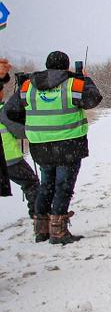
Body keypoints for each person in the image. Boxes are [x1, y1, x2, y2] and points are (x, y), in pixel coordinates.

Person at [4, 51, 103, 244]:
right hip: (68, 144)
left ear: (47, 65)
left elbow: (11, 111)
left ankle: (41, 230)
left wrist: (33, 123)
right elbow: (94, 99)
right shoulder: (74, 84)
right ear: (66, 67)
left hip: (40, 145)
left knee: (46, 185)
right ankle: (58, 232)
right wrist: (85, 78)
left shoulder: (28, 85)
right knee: (63, 187)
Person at [1, 61, 43, 239]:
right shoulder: (3, 112)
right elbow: (19, 131)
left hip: (8, 158)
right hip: (9, 158)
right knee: (32, 183)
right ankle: (38, 217)